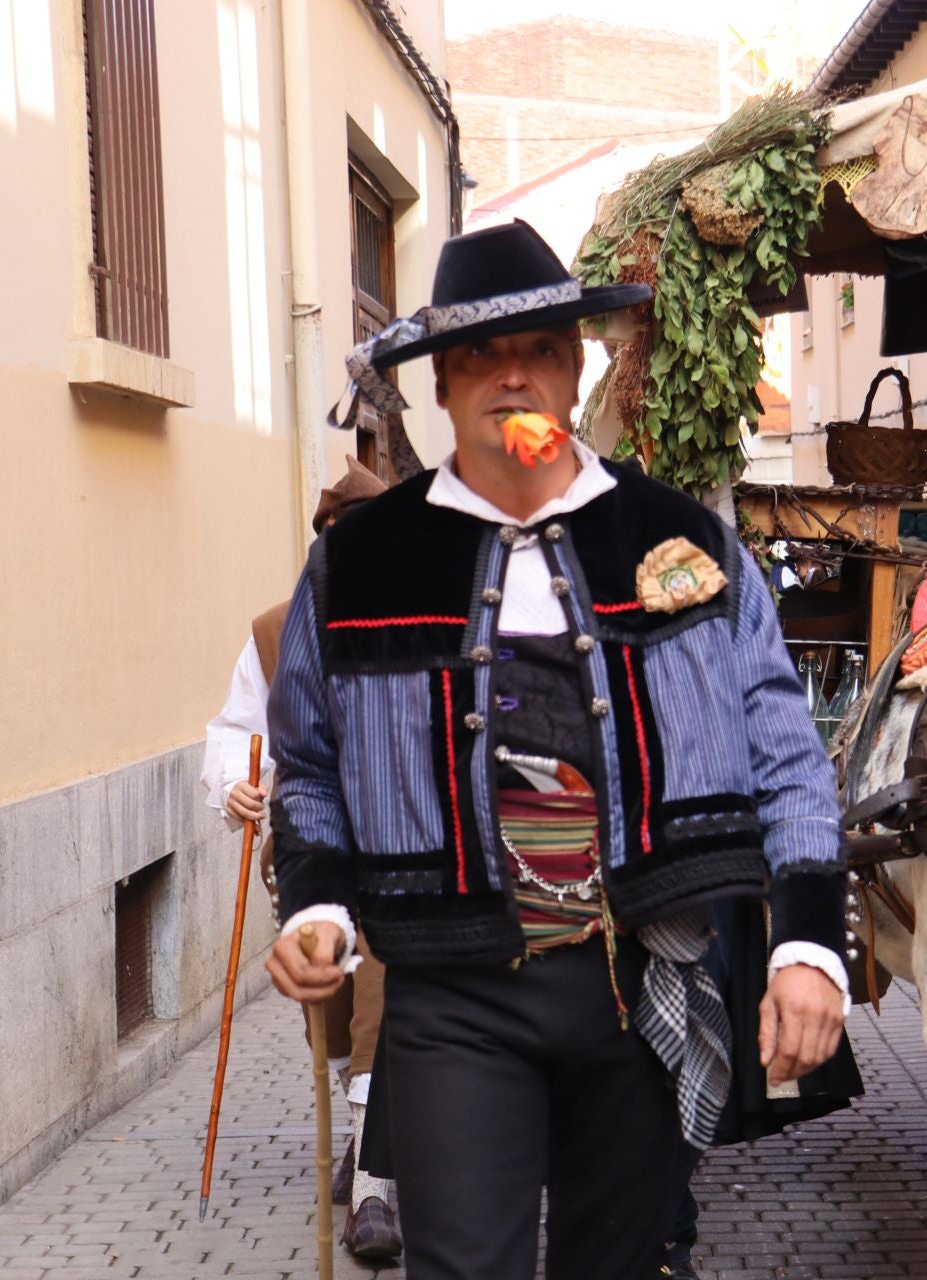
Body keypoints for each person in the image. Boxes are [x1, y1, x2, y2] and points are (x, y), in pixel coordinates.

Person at [261, 220, 850, 1280]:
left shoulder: (690, 542)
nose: (512, 375)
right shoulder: (359, 565)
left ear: (576, 367)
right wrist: (317, 905)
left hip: (644, 973)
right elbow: (308, 765)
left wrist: (809, 946)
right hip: (452, 994)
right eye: (480, 356)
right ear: (441, 384)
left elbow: (786, 749)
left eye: (537, 346)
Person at [199, 456, 402, 1260]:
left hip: (396, 850)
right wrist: (232, 789)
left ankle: (374, 1188)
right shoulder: (277, 630)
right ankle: (365, 1130)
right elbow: (234, 731)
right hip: (311, 852)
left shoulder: (420, 618)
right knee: (332, 1006)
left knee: (380, 986)